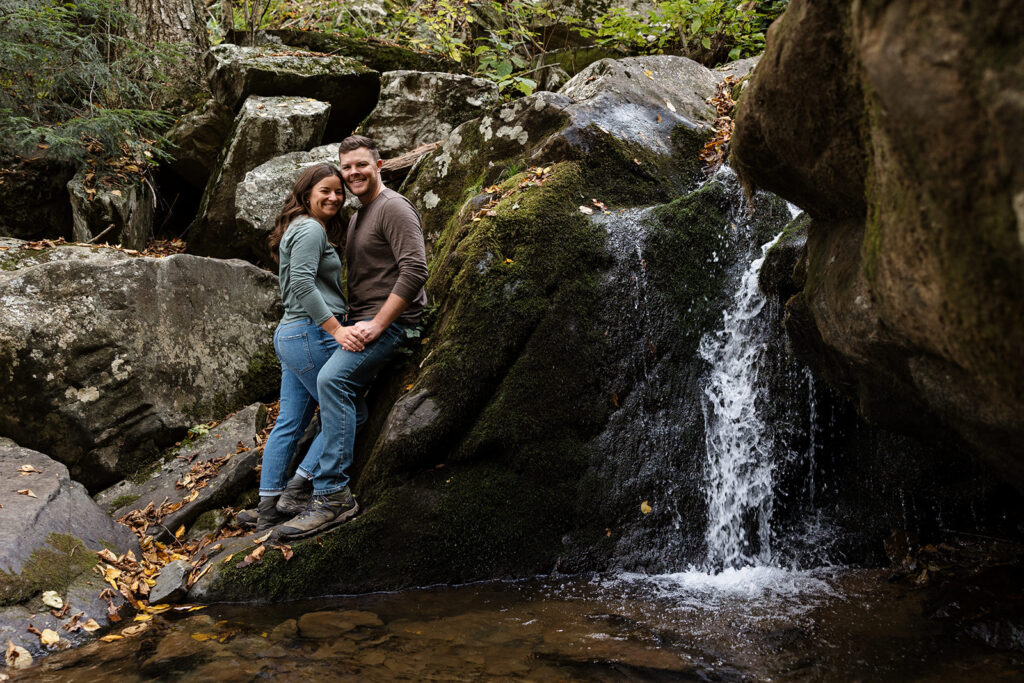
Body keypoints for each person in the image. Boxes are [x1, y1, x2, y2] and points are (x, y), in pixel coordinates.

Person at [277, 135, 428, 539]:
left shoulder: (393, 208)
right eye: (347, 167)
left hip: (392, 324)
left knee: (332, 380)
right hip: (359, 323)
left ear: (379, 165)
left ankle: (333, 496)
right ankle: (292, 489)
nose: (353, 173)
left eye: (361, 164)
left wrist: (377, 324)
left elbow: (415, 270)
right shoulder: (360, 215)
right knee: (310, 402)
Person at [236, 163, 364, 532]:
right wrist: (337, 330)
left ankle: (267, 507)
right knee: (350, 412)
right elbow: (306, 287)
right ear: (306, 193)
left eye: (339, 192)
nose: (334, 198)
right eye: (325, 190)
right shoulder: (309, 228)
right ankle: (298, 487)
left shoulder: (300, 227)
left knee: (290, 423)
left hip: (293, 335)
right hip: (310, 334)